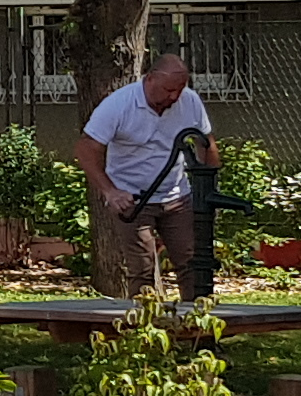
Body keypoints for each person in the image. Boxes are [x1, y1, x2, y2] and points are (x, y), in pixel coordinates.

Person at [78, 50, 211, 293]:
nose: (173, 96)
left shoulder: (189, 101)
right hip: (133, 200)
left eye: (178, 90)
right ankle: (144, 325)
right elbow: (86, 148)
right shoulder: (119, 104)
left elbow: (205, 143)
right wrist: (110, 191)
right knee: (143, 266)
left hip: (176, 196)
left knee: (192, 262)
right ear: (149, 79)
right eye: (167, 90)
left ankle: (197, 322)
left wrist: (208, 190)